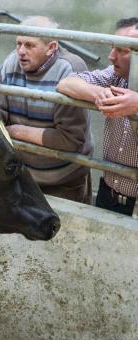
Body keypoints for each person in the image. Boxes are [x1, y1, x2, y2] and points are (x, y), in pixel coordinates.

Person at [0, 17, 92, 203]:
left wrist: (16, 131)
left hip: (62, 181)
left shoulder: (70, 69)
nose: (21, 51)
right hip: (19, 174)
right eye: (18, 43)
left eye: (29, 45)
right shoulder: (11, 62)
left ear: (51, 47)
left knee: (61, 222)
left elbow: (70, 139)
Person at [57, 17, 138, 217]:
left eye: (122, 50)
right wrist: (98, 93)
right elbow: (66, 83)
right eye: (112, 47)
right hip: (109, 194)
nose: (111, 56)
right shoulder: (116, 76)